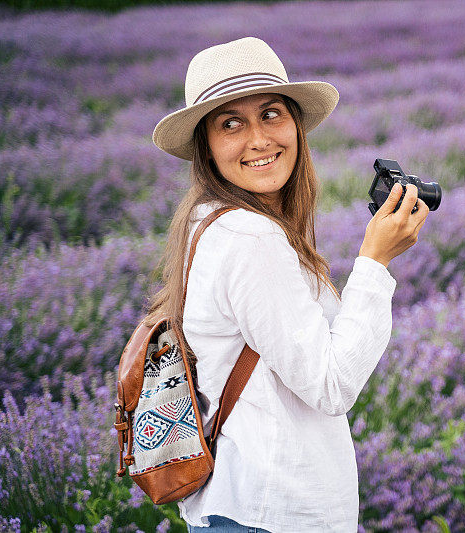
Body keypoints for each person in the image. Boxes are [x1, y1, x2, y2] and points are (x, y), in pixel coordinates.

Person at [145, 37, 429, 532]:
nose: (258, 138)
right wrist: (375, 261)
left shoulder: (210, 219)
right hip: (269, 512)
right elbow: (331, 385)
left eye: (271, 114)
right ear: (206, 147)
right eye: (230, 123)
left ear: (295, 125)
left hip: (243, 503)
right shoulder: (250, 237)